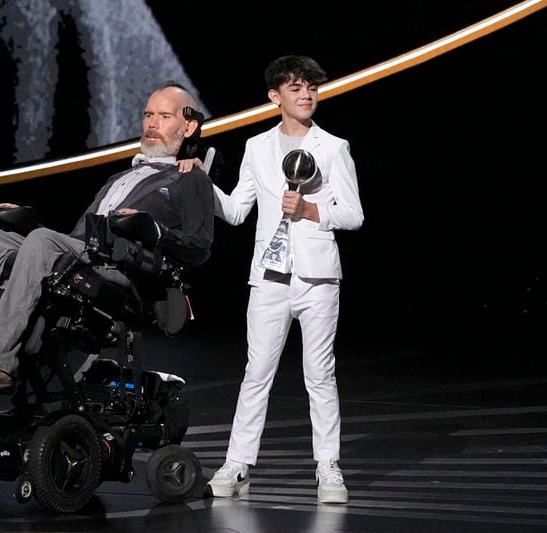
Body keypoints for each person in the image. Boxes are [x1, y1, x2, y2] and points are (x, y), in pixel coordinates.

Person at [0, 83, 214, 390]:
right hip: (82, 252)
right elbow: (72, 239)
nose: (152, 123)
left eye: (164, 116)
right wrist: (29, 225)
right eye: (148, 115)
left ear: (188, 127)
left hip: (121, 269)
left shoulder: (188, 178)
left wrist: (155, 231)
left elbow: (199, 247)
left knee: (43, 243)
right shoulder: (119, 178)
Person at [200, 55, 364, 504]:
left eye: (312, 86)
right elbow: (236, 211)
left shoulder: (334, 147)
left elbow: (354, 215)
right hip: (269, 277)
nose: (307, 94)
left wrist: (312, 210)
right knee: (256, 373)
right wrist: (201, 183)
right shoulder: (256, 147)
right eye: (296, 88)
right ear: (276, 97)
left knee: (320, 374)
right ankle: (237, 464)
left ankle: (328, 466)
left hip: (317, 278)